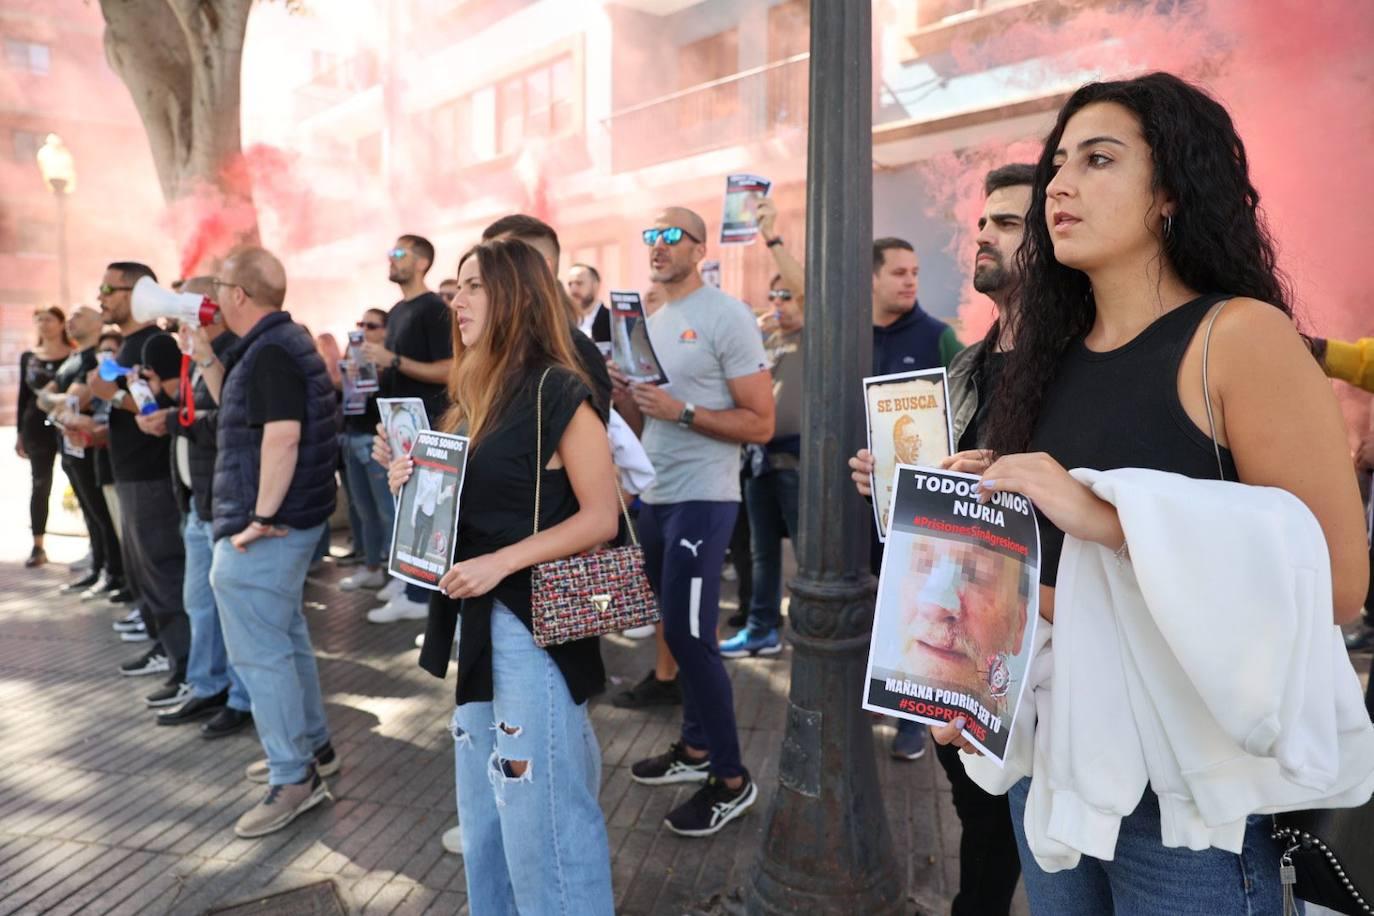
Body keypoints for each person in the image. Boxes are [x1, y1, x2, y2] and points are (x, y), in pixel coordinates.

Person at [932, 73, 1368, 915]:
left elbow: (1337, 581)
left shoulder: (1238, 338)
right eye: (1058, 163)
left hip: (1189, 806)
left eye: (1099, 160)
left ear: (1170, 193)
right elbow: (1050, 592)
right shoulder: (1042, 361)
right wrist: (959, 674)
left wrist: (1110, 518)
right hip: (1051, 771)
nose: (1060, 185)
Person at [390, 237, 618, 913]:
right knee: (488, 814)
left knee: (543, 816)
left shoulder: (558, 389)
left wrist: (502, 562)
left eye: (472, 286)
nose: (455, 300)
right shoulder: (469, 392)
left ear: (515, 295)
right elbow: (464, 509)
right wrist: (409, 482)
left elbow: (602, 516)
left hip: (536, 627)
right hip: (481, 628)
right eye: (456, 287)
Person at [850, 162, 1034, 916]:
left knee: (1032, 828)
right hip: (959, 650)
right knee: (976, 811)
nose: (984, 233)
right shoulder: (968, 363)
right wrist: (893, 480)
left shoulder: (1083, 364)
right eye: (983, 221)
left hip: (1035, 650)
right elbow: (940, 485)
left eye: (1010, 222)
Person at [615, 206, 774, 837]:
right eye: (648, 234)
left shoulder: (726, 316)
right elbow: (648, 411)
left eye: (668, 235)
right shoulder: (652, 316)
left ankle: (731, 779)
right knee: (671, 628)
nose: (655, 245)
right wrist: (626, 395)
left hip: (706, 499)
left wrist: (680, 413)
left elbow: (758, 422)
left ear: (700, 248)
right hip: (655, 493)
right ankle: (696, 748)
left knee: (690, 637)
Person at [198, 246, 340, 838]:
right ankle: (314, 751)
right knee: (284, 637)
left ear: (238, 294)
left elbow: (281, 437)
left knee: (261, 651)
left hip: (268, 526)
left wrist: (258, 518)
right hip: (290, 519)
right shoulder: (277, 343)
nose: (211, 296)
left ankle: (294, 777)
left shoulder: (273, 350)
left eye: (218, 286)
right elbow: (235, 399)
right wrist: (203, 352)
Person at [137, 278, 254, 739]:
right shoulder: (196, 353)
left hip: (219, 502)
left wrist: (174, 421)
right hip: (197, 499)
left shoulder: (233, 353)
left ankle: (240, 698)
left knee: (227, 610)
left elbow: (233, 423)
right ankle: (207, 685)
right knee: (200, 604)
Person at [869, 236, 966, 760]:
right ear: (872, 279)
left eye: (915, 272)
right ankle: (883, 695)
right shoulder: (851, 336)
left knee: (917, 606)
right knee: (878, 607)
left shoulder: (939, 337)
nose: (910, 281)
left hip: (924, 513)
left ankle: (914, 720)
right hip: (866, 499)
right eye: (899, 272)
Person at [88, 264, 193, 690]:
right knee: (142, 572)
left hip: (152, 476)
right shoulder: (132, 344)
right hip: (130, 471)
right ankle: (165, 647)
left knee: (163, 570)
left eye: (109, 288)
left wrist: (110, 394)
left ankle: (186, 665)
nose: (102, 297)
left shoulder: (156, 343)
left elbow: (169, 409)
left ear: (137, 291)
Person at [722, 197, 805, 658]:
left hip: (799, 460)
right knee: (760, 552)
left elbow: (806, 288)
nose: (779, 302)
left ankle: (809, 634)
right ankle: (761, 630)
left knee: (809, 556)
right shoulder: (765, 336)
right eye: (774, 295)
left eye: (786, 295)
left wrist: (772, 239)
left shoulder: (815, 328)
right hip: (759, 459)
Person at [364, 235, 453, 623]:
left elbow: (449, 369)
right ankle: (413, 589)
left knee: (430, 514)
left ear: (421, 263)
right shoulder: (398, 310)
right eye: (390, 252)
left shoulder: (435, 308)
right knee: (407, 512)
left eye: (399, 253)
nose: (391, 259)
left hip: (431, 426)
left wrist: (393, 359)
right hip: (402, 429)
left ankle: (424, 599)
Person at [36, 306, 124, 597]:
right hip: (70, 446)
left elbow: (75, 399)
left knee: (102, 513)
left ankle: (113, 572)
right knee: (90, 512)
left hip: (90, 445)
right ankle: (98, 567)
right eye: (70, 317)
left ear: (99, 322)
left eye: (79, 316)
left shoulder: (95, 358)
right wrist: (58, 401)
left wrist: (59, 401)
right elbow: (44, 400)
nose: (71, 322)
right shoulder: (73, 359)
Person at [338, 308, 396, 593]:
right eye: (361, 324)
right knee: (364, 511)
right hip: (353, 438)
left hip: (377, 443)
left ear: (386, 330)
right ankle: (372, 567)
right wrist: (349, 374)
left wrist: (377, 371)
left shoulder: (393, 362)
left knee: (387, 512)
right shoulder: (357, 356)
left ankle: (398, 577)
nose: (364, 330)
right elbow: (347, 398)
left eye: (371, 325)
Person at [16, 305, 74, 568]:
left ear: (61, 323)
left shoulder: (74, 354)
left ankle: (95, 548)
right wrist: (20, 433)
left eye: (49, 319)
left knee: (78, 478)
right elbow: (23, 396)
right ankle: (38, 545)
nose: (43, 324)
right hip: (35, 426)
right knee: (40, 484)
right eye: (38, 319)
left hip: (68, 422)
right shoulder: (29, 357)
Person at [567, 262, 610, 347]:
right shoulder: (564, 320)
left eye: (579, 283)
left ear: (595, 285)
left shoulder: (611, 321)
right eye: (570, 284)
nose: (573, 289)